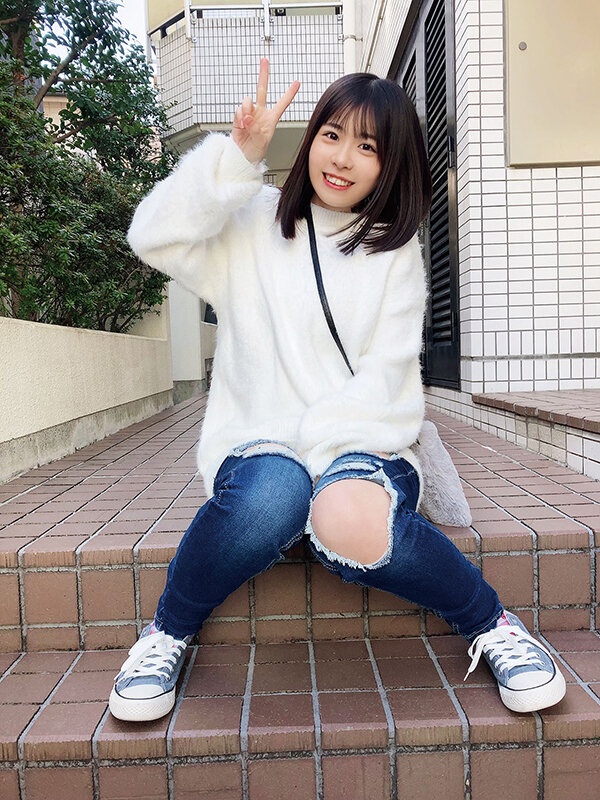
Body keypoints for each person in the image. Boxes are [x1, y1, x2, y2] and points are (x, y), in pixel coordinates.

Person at [108, 59, 565, 722]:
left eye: (368, 146)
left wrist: (325, 470)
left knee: (345, 515)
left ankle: (492, 624)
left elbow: (388, 377)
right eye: (332, 134)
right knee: (271, 498)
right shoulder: (254, 220)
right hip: (259, 439)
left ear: (390, 164)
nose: (343, 158)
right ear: (312, 139)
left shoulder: (391, 251)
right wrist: (234, 159)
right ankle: (167, 632)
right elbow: (151, 235)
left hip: (363, 441)